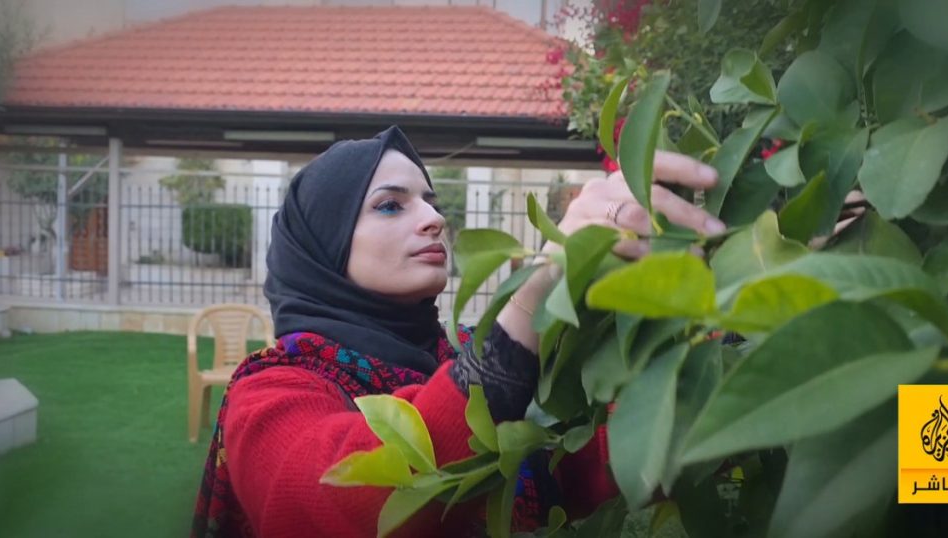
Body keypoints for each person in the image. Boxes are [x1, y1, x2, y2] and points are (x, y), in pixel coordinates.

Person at [191, 126, 724, 537]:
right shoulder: (269, 392)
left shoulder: (465, 356)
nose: (433, 218)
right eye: (390, 205)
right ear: (322, 246)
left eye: (431, 201)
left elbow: (596, 465)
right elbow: (343, 507)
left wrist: (717, 356)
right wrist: (535, 292)